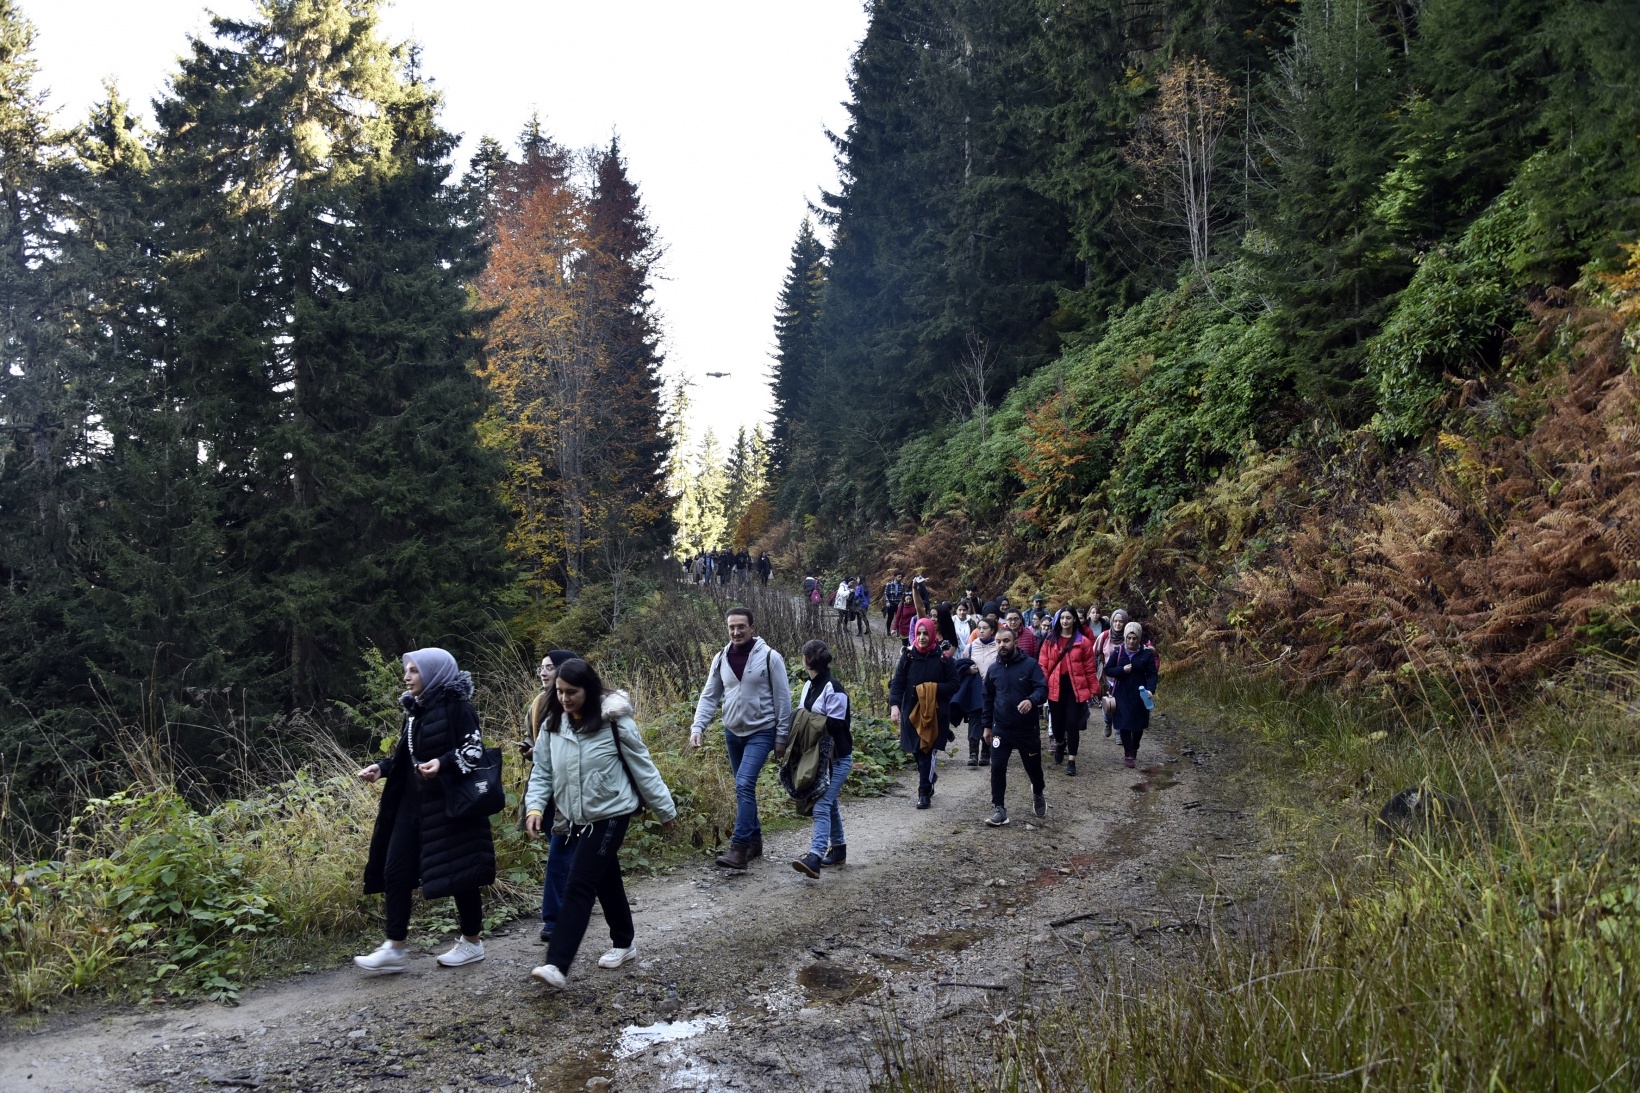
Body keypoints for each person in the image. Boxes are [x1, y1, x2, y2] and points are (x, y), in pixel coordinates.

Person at [524, 658, 677, 989]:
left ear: (589, 690)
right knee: (605, 878)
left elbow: (643, 768)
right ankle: (625, 943)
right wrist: (534, 807)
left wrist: (665, 810)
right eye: (560, 692)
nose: (565, 698)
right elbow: (543, 771)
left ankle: (557, 964)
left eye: (572, 692)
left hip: (611, 813)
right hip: (577, 816)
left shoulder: (613, 722)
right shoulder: (553, 724)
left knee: (578, 884)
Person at [355, 648, 495, 973]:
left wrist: (443, 764)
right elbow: (407, 754)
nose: (407, 677)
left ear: (434, 673)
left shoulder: (458, 706)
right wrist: (383, 767)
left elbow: (474, 751)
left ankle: (472, 942)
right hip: (410, 803)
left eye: (414, 671)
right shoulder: (415, 710)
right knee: (395, 869)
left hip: (448, 804)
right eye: (407, 670)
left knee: (460, 874)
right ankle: (394, 947)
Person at [690, 606, 793, 869]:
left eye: (741, 627)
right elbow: (709, 695)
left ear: (752, 628)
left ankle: (739, 847)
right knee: (742, 786)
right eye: (732, 627)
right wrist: (697, 726)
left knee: (744, 784)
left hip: (762, 731)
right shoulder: (721, 658)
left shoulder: (770, 657)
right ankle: (755, 841)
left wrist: (781, 737)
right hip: (732, 732)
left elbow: (783, 699)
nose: (736, 632)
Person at [520, 649, 580, 943]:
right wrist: (531, 750)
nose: (544, 672)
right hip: (546, 790)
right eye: (541, 668)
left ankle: (554, 919)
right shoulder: (537, 704)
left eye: (550, 667)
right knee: (566, 850)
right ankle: (582, 892)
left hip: (570, 792)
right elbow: (540, 748)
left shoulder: (578, 704)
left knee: (559, 852)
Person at [790, 640, 854, 877]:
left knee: (821, 803)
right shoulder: (809, 686)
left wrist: (809, 719)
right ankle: (839, 849)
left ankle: (815, 856)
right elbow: (802, 716)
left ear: (806, 661)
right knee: (830, 802)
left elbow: (838, 726)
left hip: (838, 758)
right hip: (818, 757)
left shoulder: (833, 688)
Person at [889, 616, 960, 809]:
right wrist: (894, 706)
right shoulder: (909, 656)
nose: (921, 637)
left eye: (925, 633)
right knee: (915, 750)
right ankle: (929, 776)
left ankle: (923, 792)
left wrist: (932, 689)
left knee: (925, 751)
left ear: (931, 634)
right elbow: (898, 683)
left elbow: (954, 684)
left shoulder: (943, 659)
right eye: (918, 633)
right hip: (910, 711)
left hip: (934, 714)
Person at [982, 625, 1049, 827]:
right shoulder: (993, 670)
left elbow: (1043, 689)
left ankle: (1038, 792)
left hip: (1027, 730)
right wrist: (987, 726)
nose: (1002, 645)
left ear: (1015, 642)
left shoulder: (1030, 665)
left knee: (1033, 768)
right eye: (999, 642)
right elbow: (987, 699)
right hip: (1001, 728)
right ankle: (999, 809)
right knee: (998, 767)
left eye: (1006, 641)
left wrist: (1031, 700)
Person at [1037, 607, 1100, 775]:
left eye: (1068, 618)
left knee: (1072, 723)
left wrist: (1094, 689)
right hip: (1055, 685)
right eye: (1062, 618)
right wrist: (1042, 683)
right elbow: (1043, 663)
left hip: (1075, 686)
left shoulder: (1083, 641)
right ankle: (1059, 743)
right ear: (1058, 620)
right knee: (1057, 723)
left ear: (1074, 620)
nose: (1065, 621)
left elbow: (1089, 668)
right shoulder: (1050, 640)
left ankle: (1072, 760)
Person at [1106, 621, 1159, 768]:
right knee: (1123, 723)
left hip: (1140, 694)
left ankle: (1135, 746)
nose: (1131, 641)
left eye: (1134, 638)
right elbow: (1108, 670)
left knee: (1138, 725)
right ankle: (1128, 753)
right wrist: (1122, 670)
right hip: (1121, 693)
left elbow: (1153, 675)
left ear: (1139, 638)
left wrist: (1150, 689)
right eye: (1129, 638)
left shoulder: (1146, 654)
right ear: (1125, 637)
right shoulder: (1118, 652)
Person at [959, 617, 1000, 766]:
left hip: (994, 691)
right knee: (974, 719)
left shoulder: (998, 646)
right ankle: (973, 753)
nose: (981, 631)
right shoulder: (970, 647)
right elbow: (961, 664)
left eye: (985, 628)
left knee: (989, 720)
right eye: (979, 628)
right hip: (975, 690)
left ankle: (986, 752)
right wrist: (968, 669)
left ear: (992, 630)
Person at [1092, 608, 1128, 738]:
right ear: (1112, 622)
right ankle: (1108, 722)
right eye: (1115, 621)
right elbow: (1093, 653)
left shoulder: (1128, 637)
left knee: (1121, 705)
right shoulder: (1105, 636)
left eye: (1121, 621)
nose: (1118, 624)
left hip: (1124, 678)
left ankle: (1119, 731)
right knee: (1108, 705)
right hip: (1107, 677)